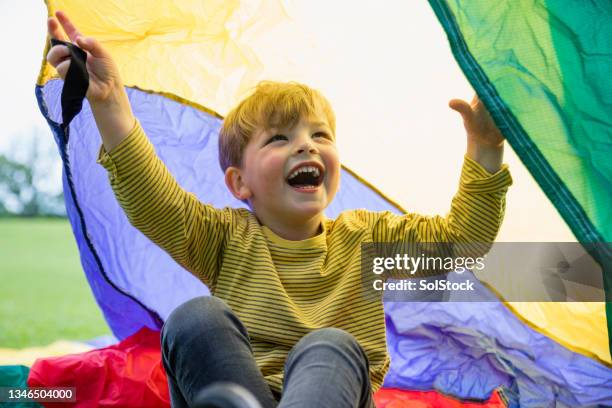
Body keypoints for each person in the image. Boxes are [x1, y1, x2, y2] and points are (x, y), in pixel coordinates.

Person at [47, 10, 512, 408]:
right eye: (279, 138)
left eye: (320, 136)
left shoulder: (368, 243)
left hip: (332, 391)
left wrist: (486, 147)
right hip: (240, 392)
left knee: (330, 344)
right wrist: (110, 103)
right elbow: (153, 199)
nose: (306, 147)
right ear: (240, 182)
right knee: (194, 317)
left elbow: (461, 242)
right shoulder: (223, 240)